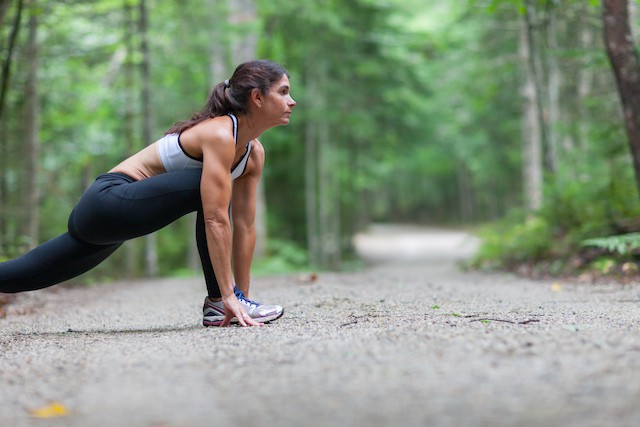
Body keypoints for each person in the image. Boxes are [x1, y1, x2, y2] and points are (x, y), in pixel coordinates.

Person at [0, 59, 296, 327]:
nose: (291, 101)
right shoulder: (220, 133)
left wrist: (240, 300)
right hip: (108, 201)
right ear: (257, 97)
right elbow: (216, 218)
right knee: (211, 193)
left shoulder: (253, 154)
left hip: (116, 221)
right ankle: (218, 301)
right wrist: (226, 295)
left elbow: (245, 227)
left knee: (23, 275)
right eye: (283, 92)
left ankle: (226, 302)